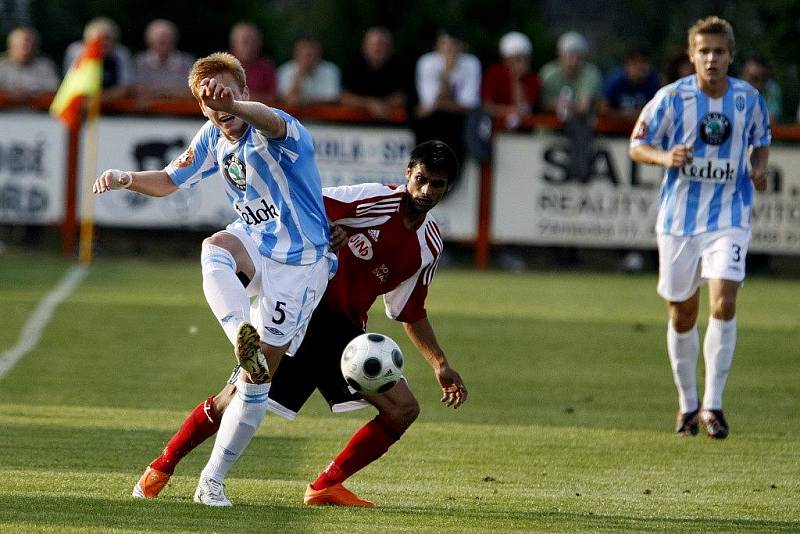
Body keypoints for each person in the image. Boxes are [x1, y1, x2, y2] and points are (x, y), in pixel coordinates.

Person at [131, 141, 468, 508]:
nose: (426, 191)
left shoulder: (429, 246)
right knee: (237, 396)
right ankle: (161, 468)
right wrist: (327, 230)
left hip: (346, 335)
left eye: (436, 184)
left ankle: (326, 485)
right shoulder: (373, 199)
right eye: (421, 179)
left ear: (447, 187)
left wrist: (440, 363)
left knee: (403, 408)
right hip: (304, 308)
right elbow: (302, 206)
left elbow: (410, 310)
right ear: (408, 174)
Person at [93, 51, 337, 494]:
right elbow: (169, 181)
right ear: (201, 106)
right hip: (255, 244)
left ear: (245, 91)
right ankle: (241, 335)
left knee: (256, 380)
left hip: (301, 265)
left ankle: (212, 481)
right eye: (208, 98)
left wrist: (233, 104)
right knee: (215, 247)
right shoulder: (212, 136)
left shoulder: (278, 129)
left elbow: (270, 119)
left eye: (227, 92)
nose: (219, 104)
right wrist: (124, 177)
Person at [629, 16, 770, 439]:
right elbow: (637, 145)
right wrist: (665, 157)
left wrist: (758, 169)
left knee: (723, 302)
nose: (712, 59)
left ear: (731, 56)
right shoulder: (671, 98)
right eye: (704, 51)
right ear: (691, 56)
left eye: (719, 52)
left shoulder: (749, 99)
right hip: (678, 222)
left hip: (730, 217)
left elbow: (761, 141)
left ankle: (714, 404)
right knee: (683, 312)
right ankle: (687, 403)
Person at [414, 29, 481, 178]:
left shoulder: (471, 63)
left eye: (454, 45)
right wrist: (447, 74)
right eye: (445, 46)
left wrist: (439, 103)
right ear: (437, 47)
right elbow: (430, 104)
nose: (450, 50)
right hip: (433, 126)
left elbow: (468, 105)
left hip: (458, 126)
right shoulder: (428, 62)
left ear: (463, 47)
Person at [539, 31, 602, 180]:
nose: (572, 61)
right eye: (569, 55)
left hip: (581, 127)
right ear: (560, 55)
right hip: (550, 130)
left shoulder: (591, 74)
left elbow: (583, 108)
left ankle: (581, 170)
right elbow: (541, 104)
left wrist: (562, 105)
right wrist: (564, 106)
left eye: (577, 56)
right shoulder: (548, 73)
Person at [340, 27, 407, 119]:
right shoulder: (352, 66)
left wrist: (382, 105)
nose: (379, 48)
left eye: (384, 45)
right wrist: (369, 104)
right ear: (364, 47)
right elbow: (344, 97)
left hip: (392, 126)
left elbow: (403, 96)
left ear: (391, 48)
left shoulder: (400, 67)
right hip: (353, 124)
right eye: (376, 44)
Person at [64, 17, 133, 101]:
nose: (103, 43)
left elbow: (125, 88)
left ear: (115, 41)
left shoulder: (121, 54)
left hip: (111, 105)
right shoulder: (76, 52)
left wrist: (98, 100)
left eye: (107, 39)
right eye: (98, 39)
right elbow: (71, 86)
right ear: (87, 40)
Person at [481, 31, 540, 130]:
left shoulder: (532, 79)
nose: (522, 64)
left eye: (525, 59)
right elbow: (487, 106)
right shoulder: (494, 74)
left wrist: (517, 80)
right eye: (517, 59)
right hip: (494, 127)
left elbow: (525, 108)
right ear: (506, 60)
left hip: (523, 131)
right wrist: (510, 111)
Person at [133, 19, 194, 100]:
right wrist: (171, 92)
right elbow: (135, 90)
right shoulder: (140, 61)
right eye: (159, 38)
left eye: (167, 37)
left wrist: (157, 92)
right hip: (148, 110)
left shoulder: (186, 62)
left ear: (174, 39)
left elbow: (192, 91)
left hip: (179, 109)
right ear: (149, 40)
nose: (164, 40)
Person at [277, 35, 341, 107]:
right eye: (306, 54)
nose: (309, 58)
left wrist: (304, 101)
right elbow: (291, 100)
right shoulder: (285, 70)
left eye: (311, 53)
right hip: (294, 117)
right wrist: (300, 74)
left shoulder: (330, 70)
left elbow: (332, 98)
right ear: (296, 53)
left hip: (323, 117)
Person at [0, 25, 59, 99]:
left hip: (37, 110)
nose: (28, 49)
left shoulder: (46, 66)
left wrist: (27, 96)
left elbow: (54, 96)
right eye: (24, 45)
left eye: (32, 44)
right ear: (11, 45)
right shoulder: (2, 66)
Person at [599, 48, 660, 120]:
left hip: (641, 126)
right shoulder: (615, 80)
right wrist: (626, 115)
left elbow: (657, 109)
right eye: (636, 63)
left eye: (645, 62)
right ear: (627, 64)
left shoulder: (653, 82)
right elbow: (602, 109)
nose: (641, 67)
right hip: (613, 125)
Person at [229, 21, 277, 104]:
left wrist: (238, 97)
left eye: (254, 41)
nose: (250, 46)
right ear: (234, 43)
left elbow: (272, 98)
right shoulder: (221, 65)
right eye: (245, 42)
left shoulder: (266, 66)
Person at [741, 55, 782, 124]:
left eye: (763, 79)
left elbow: (771, 121)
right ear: (743, 75)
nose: (758, 85)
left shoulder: (772, 89)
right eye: (754, 79)